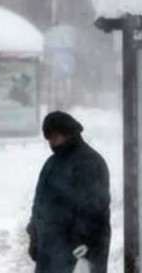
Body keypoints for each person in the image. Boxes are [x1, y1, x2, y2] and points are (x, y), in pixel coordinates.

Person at [27, 111, 111, 273]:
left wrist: (83, 243)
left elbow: (93, 208)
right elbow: (40, 202)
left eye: (55, 136)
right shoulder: (52, 163)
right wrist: (34, 234)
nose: (52, 142)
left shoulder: (90, 163)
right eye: (49, 138)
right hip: (51, 249)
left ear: (69, 133)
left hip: (76, 251)